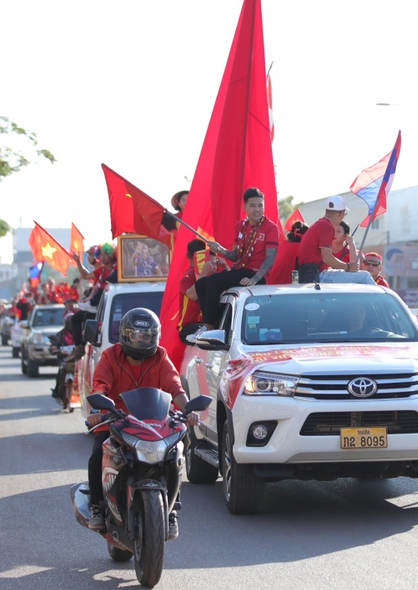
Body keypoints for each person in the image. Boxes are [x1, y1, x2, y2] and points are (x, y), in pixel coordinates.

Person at [85, 308, 199, 533]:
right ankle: (97, 506)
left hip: (153, 424)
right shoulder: (110, 356)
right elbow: (100, 386)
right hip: (117, 421)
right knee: (98, 453)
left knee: (177, 452)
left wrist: (189, 410)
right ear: (125, 335)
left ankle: (172, 508)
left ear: (155, 336)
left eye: (146, 336)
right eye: (136, 335)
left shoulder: (160, 356)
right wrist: (99, 409)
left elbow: (175, 387)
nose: (141, 340)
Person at [195, 187, 280, 327]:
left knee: (213, 281)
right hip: (241, 271)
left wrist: (254, 280)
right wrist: (220, 249)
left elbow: (270, 259)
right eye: (252, 205)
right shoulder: (240, 226)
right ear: (245, 207)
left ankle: (209, 326)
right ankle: (215, 325)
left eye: (260, 205)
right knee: (201, 284)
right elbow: (235, 256)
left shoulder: (271, 228)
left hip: (255, 275)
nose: (257, 209)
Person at [296, 196, 375, 284]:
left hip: (311, 273)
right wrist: (348, 266)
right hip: (317, 275)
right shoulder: (326, 226)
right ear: (341, 213)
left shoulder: (320, 224)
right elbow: (327, 258)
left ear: (326, 210)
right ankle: (381, 298)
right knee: (364, 277)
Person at [179, 239, 226, 343]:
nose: (214, 267)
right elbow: (194, 295)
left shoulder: (215, 276)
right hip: (191, 325)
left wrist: (226, 268)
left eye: (215, 263)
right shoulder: (188, 277)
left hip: (213, 323)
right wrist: (203, 273)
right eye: (210, 263)